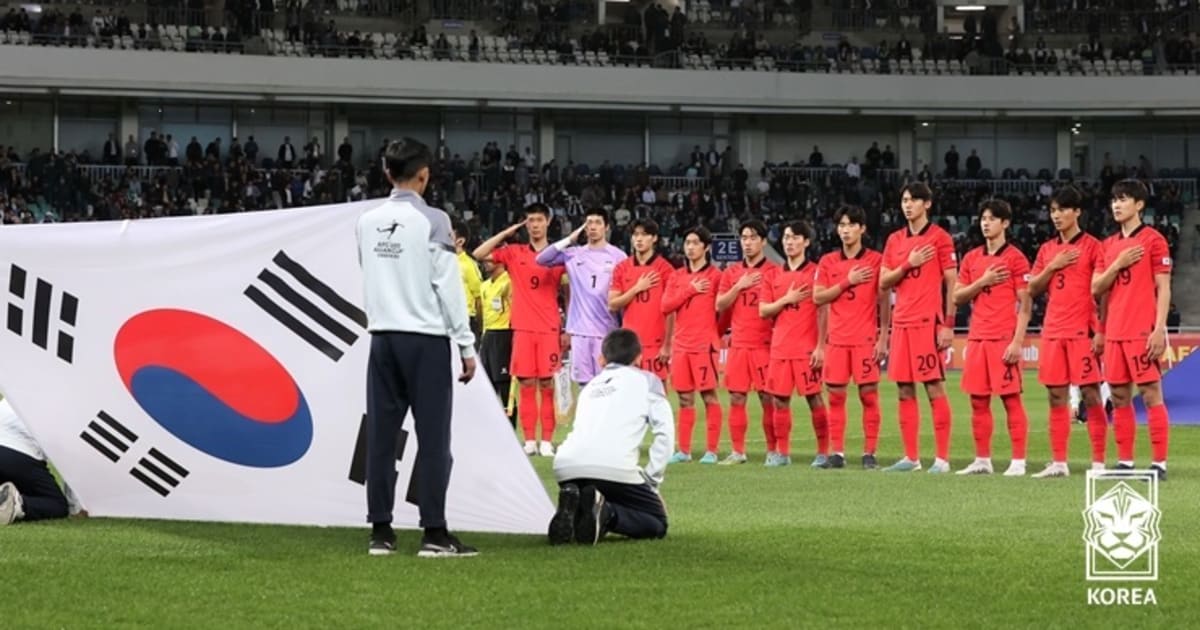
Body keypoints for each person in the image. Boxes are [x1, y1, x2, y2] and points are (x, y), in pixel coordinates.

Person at [356, 138, 478, 558]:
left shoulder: (366, 221)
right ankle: (434, 533)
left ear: (387, 173)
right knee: (432, 439)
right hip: (425, 341)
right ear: (423, 176)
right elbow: (448, 287)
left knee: (381, 438)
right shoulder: (436, 220)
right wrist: (466, 345)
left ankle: (380, 533)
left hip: (382, 339)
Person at [548, 329, 673, 545]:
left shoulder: (590, 386)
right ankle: (607, 513)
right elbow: (665, 434)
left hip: (566, 466)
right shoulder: (648, 381)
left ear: (602, 359)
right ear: (639, 358)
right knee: (657, 522)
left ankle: (576, 505)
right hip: (614, 468)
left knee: (596, 490)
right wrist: (652, 480)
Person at [1091, 179, 1172, 481]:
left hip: (1141, 331)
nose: (1116, 204)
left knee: (1151, 394)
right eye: (1114, 199)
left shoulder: (1154, 240)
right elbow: (1096, 288)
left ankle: (1159, 464)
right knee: (1119, 396)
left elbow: (1163, 287)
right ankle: (1125, 462)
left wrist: (1159, 329)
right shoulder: (1108, 245)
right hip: (1114, 332)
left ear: (1139, 205)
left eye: (1123, 199)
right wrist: (1117, 264)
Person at [473, 204, 567, 456]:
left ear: (548, 222)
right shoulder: (514, 252)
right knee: (526, 384)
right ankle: (529, 441)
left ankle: (547, 441)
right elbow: (478, 253)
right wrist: (506, 233)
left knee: (547, 384)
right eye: (529, 220)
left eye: (538, 220)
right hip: (522, 329)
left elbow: (568, 292)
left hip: (548, 328)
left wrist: (566, 327)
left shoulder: (559, 255)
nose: (534, 225)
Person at [1027, 186, 1108, 477]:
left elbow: (1104, 291)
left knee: (1091, 394)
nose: (1056, 215)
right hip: (1053, 331)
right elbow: (1032, 289)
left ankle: (1098, 463)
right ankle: (1059, 463)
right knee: (1056, 396)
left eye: (1062, 209)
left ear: (1077, 212)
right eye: (1052, 210)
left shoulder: (1094, 247)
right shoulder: (1047, 250)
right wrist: (1052, 267)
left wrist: (1100, 331)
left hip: (1081, 331)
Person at [879, 182, 958, 473]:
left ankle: (942, 459)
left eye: (913, 200)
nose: (907, 205)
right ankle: (911, 458)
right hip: (902, 323)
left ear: (927, 204)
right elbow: (883, 282)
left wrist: (948, 324)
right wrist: (907, 265)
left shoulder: (940, 238)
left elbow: (952, 282)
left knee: (933, 387)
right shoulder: (894, 240)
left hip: (927, 323)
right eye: (904, 200)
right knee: (903, 389)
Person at [952, 200, 1033, 477]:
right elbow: (957, 296)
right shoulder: (972, 258)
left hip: (1002, 338)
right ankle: (982, 460)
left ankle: (1019, 461)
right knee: (978, 401)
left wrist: (1017, 341)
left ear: (1005, 223)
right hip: (977, 338)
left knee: (1010, 400)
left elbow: (1025, 304)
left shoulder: (1016, 258)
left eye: (992, 218)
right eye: (983, 218)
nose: (986, 223)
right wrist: (982, 281)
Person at [814, 205, 890, 470]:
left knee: (869, 396)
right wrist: (847, 280)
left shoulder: (876, 260)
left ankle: (869, 453)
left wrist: (883, 338)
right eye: (841, 225)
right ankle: (838, 454)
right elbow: (818, 297)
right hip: (836, 340)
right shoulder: (827, 262)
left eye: (850, 225)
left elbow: (884, 301)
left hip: (865, 339)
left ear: (862, 229)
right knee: (835, 396)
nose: (845, 230)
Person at [758, 221, 826, 467]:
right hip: (780, 347)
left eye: (795, 237)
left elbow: (824, 310)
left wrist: (821, 346)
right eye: (786, 237)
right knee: (779, 400)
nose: (789, 242)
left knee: (814, 398)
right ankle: (783, 453)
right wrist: (786, 299)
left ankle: (822, 452)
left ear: (806, 242)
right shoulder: (772, 275)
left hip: (807, 347)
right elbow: (764, 310)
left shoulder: (817, 272)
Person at [536, 208, 627, 385]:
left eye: (597, 223)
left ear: (606, 227)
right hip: (579, 331)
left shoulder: (618, 256)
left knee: (606, 384)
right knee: (584, 384)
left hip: (606, 330)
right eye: (589, 223)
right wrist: (569, 239)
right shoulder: (573, 253)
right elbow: (541, 259)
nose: (593, 227)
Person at [715, 220, 780, 465]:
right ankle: (738, 451)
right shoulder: (732, 273)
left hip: (765, 343)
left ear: (763, 241)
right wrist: (738, 287)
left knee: (768, 398)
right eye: (744, 238)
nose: (748, 242)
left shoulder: (774, 272)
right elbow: (720, 305)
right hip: (739, 345)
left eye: (753, 237)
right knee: (736, 398)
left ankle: (773, 451)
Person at [662, 227, 724, 464]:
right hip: (681, 346)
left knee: (709, 396)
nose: (690, 247)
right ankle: (684, 450)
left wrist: (713, 336)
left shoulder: (716, 276)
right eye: (687, 242)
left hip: (703, 346)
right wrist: (689, 290)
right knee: (684, 398)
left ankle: (712, 450)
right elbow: (666, 306)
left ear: (706, 247)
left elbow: (723, 308)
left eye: (695, 243)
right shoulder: (677, 276)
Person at [608, 218, 676, 386]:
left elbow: (671, 310)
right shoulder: (622, 268)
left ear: (654, 238)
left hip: (656, 343)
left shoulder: (665, 269)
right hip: (629, 344)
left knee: (657, 396)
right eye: (635, 234)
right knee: (628, 396)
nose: (638, 239)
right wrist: (637, 288)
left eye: (644, 235)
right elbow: (612, 304)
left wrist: (667, 345)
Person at [0, 398, 84, 525]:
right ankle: (16, 504)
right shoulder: (75, 405)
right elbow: (73, 456)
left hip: (10, 448)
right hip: (16, 452)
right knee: (57, 505)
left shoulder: (27, 388)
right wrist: (76, 508)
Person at [479, 255, 514, 425]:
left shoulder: (509, 282)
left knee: (505, 384)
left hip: (503, 334)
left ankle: (511, 427)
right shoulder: (484, 285)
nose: (486, 263)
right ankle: (491, 426)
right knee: (488, 384)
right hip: (488, 335)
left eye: (490, 260)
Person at [451, 217, 483, 346]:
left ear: (460, 241)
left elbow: (479, 296)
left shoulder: (469, 265)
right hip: (447, 319)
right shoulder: (444, 261)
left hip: (465, 319)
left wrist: (480, 325)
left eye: (449, 235)